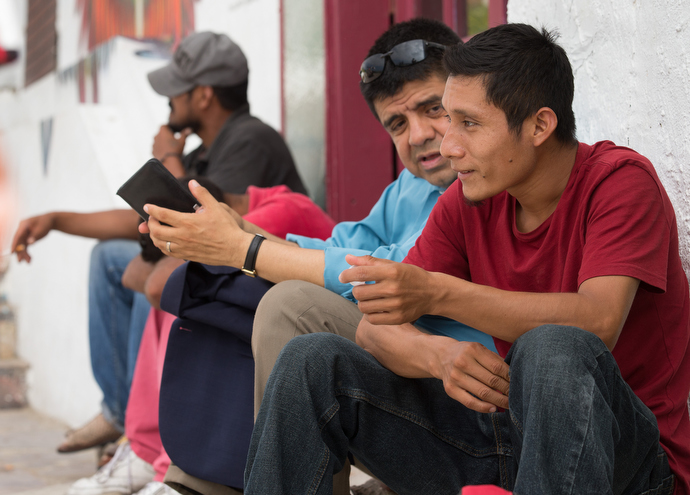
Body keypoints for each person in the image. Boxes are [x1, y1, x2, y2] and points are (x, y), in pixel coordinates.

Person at [243, 23, 690, 495]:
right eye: (450, 119)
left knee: (552, 348)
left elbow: (597, 320)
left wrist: (439, 292)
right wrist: (440, 357)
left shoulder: (619, 182)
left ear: (539, 125)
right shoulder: (470, 198)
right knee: (312, 362)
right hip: (509, 440)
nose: (449, 144)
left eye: (470, 123)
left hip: (631, 462)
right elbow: (376, 326)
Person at [140, 18, 494, 495]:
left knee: (290, 305)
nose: (418, 136)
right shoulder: (407, 188)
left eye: (434, 109)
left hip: (469, 410)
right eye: (397, 123)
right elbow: (341, 247)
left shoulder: (485, 178)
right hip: (406, 372)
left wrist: (243, 247)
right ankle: (205, 480)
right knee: (233, 285)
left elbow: (390, 273)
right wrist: (235, 231)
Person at [10, 31, 306, 453]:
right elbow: (145, 218)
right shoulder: (208, 148)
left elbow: (199, 221)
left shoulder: (250, 140)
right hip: (220, 271)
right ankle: (122, 413)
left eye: (176, 91)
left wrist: (168, 157)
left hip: (260, 283)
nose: (168, 101)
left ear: (203, 95)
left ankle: (142, 437)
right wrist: (56, 220)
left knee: (158, 270)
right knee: (110, 257)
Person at [66, 183, 335, 495]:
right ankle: (143, 445)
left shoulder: (281, 209)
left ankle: (167, 459)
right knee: (166, 283)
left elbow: (155, 283)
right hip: (284, 308)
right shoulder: (238, 199)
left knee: (184, 288)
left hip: (306, 319)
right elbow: (135, 275)